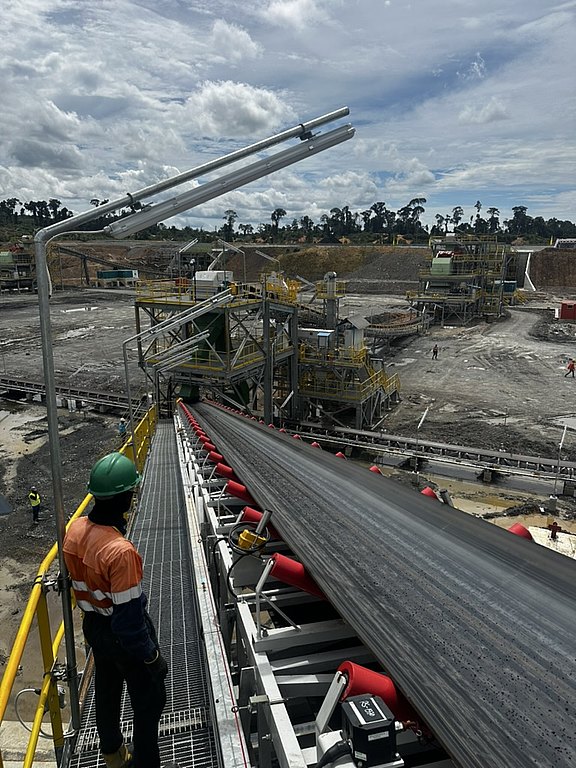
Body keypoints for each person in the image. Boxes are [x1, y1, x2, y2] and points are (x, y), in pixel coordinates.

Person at [63, 453, 178, 768]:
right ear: (126, 497)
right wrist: (152, 657)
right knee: (150, 698)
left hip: (94, 627)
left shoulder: (73, 531)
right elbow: (129, 623)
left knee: (107, 688)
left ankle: (113, 754)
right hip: (119, 633)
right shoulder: (119, 552)